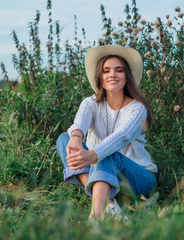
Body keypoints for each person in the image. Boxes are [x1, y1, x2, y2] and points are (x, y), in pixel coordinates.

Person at [56, 44, 157, 220]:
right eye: (106, 71)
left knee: (107, 154)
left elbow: (122, 136)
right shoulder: (91, 103)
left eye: (119, 70)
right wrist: (76, 137)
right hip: (100, 171)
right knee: (64, 138)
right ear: (100, 77)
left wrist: (93, 154)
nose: (112, 75)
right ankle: (109, 203)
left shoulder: (137, 108)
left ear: (127, 76)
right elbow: (79, 122)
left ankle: (96, 217)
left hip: (137, 177)